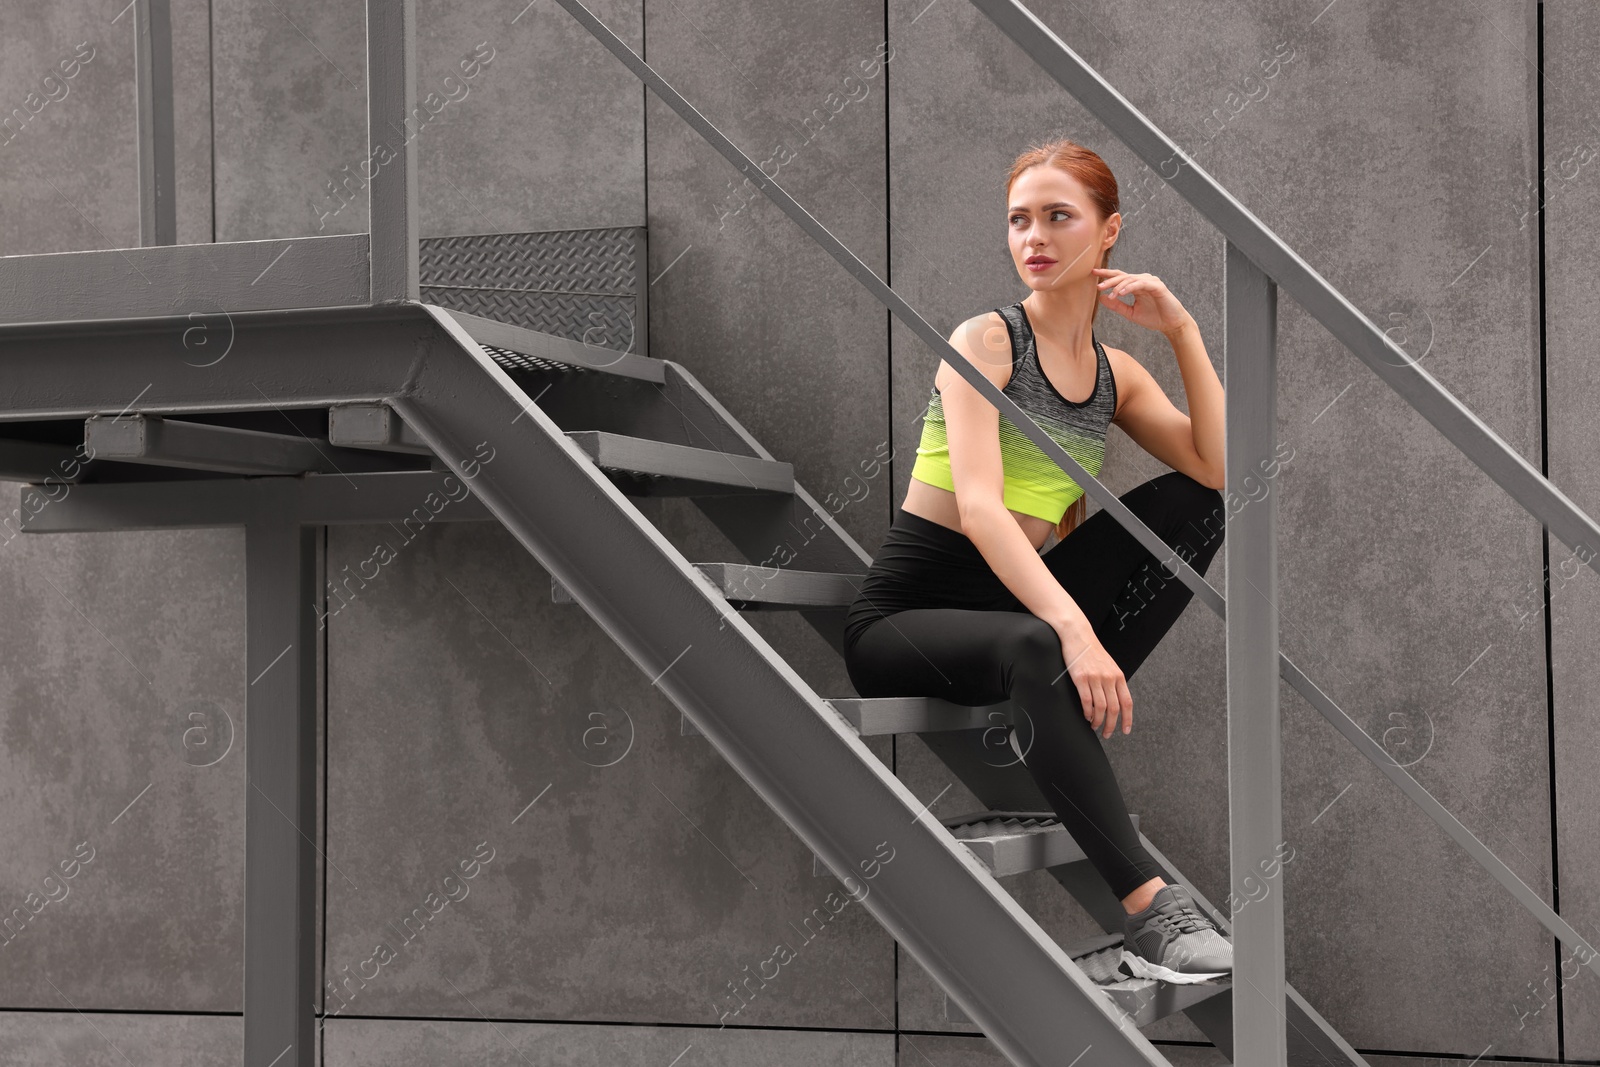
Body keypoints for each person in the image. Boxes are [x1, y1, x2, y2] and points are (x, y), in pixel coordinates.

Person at [842, 138, 1232, 983]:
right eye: (1020, 219)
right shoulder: (987, 341)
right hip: (907, 620)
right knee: (1037, 645)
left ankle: (1060, 688)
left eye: (1060, 216)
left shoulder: (1114, 374)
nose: (1035, 236)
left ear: (1109, 231)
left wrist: (1185, 330)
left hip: (1020, 611)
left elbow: (1218, 467)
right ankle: (1151, 919)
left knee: (1195, 508)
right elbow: (980, 507)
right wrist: (1073, 631)